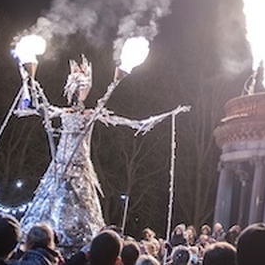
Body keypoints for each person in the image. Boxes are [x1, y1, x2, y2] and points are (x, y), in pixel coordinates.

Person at [17, 58, 189, 253]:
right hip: (61, 162)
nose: (77, 91)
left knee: (82, 201)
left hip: (79, 162)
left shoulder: (91, 114)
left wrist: (160, 118)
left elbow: (128, 122)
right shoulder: (62, 112)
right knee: (52, 198)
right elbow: (36, 108)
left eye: (81, 86)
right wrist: (29, 82)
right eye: (75, 86)